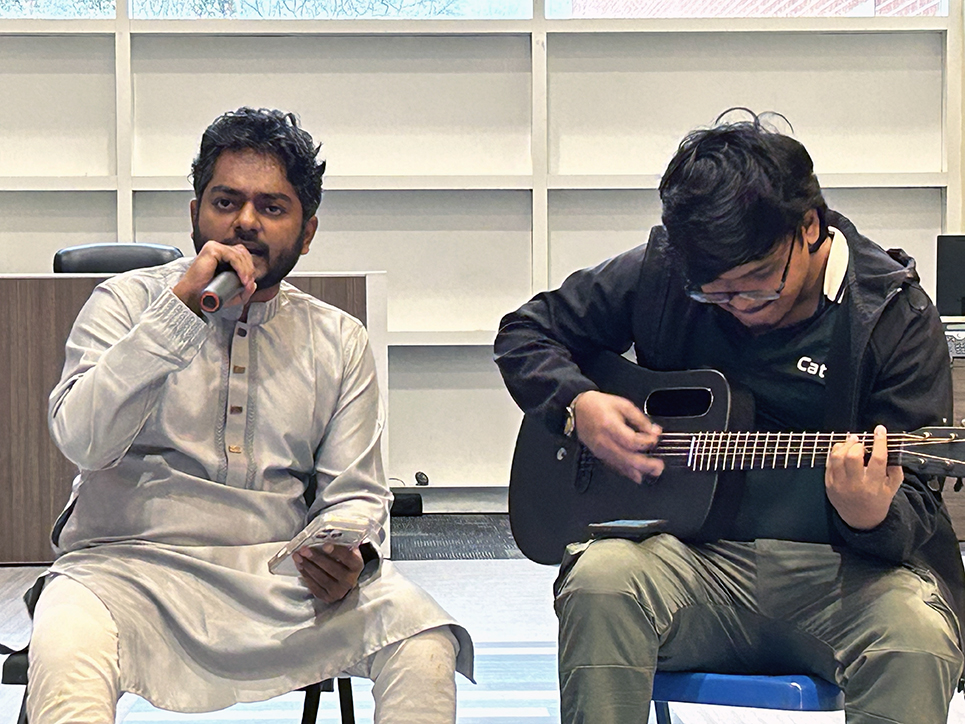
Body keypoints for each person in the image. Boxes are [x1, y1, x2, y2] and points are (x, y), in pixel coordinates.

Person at [494, 110, 965, 723]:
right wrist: (577, 403)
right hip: (688, 562)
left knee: (914, 635)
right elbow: (527, 332)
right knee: (600, 580)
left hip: (841, 575)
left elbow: (921, 511)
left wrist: (871, 513)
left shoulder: (892, 315)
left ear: (810, 228)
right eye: (714, 293)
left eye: (759, 282)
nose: (741, 306)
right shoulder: (664, 273)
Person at [28, 107, 473, 724]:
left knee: (422, 636)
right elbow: (83, 440)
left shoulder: (337, 338)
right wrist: (176, 313)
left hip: (279, 579)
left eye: (271, 207)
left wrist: (348, 553)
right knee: (65, 645)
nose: (244, 222)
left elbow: (356, 495)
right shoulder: (124, 305)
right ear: (194, 214)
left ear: (307, 231)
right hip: (122, 572)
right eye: (226, 201)